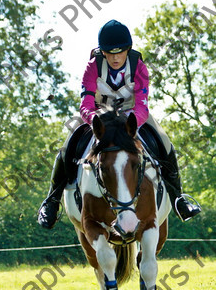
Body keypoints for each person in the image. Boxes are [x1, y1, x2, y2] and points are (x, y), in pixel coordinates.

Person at [38, 19, 201, 229]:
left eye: (120, 52)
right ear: (103, 52)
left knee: (164, 141)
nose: (115, 58)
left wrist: (131, 121)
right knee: (69, 143)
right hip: (99, 115)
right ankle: (52, 200)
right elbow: (86, 103)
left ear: (128, 50)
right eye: (110, 53)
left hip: (132, 116)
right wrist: (93, 119)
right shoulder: (92, 67)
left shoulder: (139, 67)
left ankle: (179, 198)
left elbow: (142, 105)